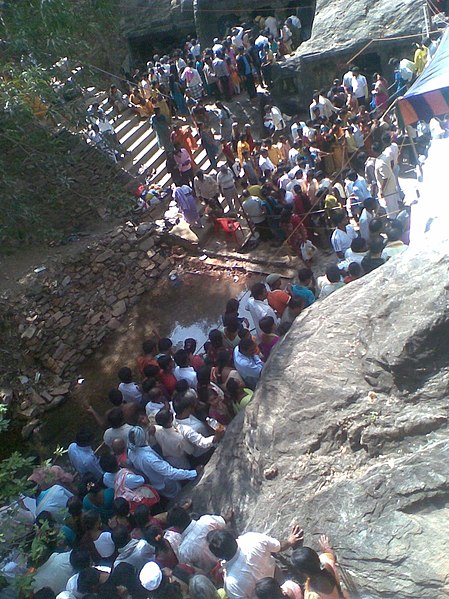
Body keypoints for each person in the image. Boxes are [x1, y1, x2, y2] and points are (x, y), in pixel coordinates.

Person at [207, 525, 304, 599]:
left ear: (217, 555)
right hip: (279, 579)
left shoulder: (231, 583)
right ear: (232, 538)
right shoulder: (252, 539)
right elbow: (278, 546)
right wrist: (290, 541)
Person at [127, 426, 197, 500]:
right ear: (142, 438)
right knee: (179, 497)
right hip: (166, 483)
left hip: (156, 483)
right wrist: (194, 473)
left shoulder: (131, 451)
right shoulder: (149, 458)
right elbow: (170, 473)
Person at [168, 505, 226, 572]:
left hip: (217, 574)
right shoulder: (206, 521)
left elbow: (189, 570)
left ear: (176, 528)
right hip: (230, 553)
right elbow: (223, 521)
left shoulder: (184, 551)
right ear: (188, 515)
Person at [173, 392, 223, 460]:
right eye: (190, 407)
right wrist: (217, 437)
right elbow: (202, 442)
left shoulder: (176, 417)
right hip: (205, 452)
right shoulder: (187, 430)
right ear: (185, 409)